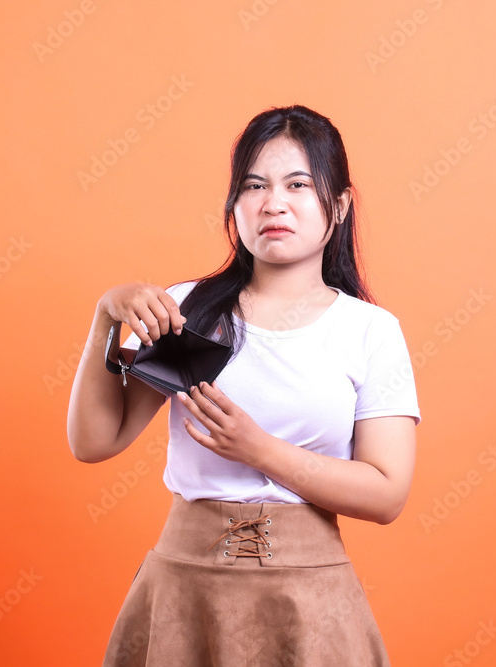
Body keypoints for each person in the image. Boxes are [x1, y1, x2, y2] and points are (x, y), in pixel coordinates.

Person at [67, 104, 421, 666]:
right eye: (253, 185)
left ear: (340, 204)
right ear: (234, 205)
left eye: (298, 184)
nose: (273, 202)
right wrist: (105, 318)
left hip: (309, 602)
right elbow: (94, 441)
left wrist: (258, 450)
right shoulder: (189, 310)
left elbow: (386, 494)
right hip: (184, 590)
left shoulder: (370, 331)